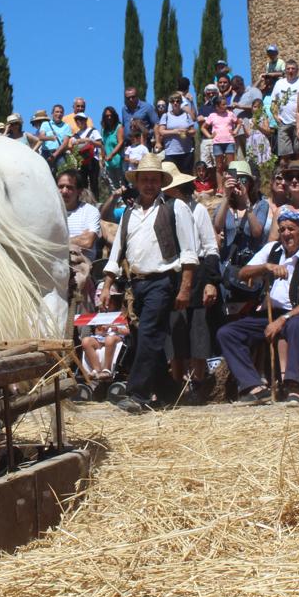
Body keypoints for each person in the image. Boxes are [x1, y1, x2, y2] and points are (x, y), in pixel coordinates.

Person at [98, 153, 196, 413]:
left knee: (151, 334)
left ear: (161, 182)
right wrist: (107, 285)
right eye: (145, 179)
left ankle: (137, 394)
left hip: (163, 281)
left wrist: (185, 287)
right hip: (136, 285)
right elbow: (117, 251)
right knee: (143, 339)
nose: (150, 184)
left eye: (154, 179)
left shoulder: (175, 207)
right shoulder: (129, 213)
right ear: (138, 182)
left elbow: (189, 251)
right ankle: (170, 393)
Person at [216, 208, 299, 406]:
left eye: (291, 229)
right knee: (227, 333)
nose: (286, 234)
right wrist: (265, 268)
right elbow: (243, 273)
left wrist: (284, 319)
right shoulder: (272, 250)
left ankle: (293, 387)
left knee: (295, 325)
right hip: (271, 314)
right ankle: (254, 387)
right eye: (282, 229)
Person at [162, 162, 220, 405]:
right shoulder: (161, 210)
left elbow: (210, 247)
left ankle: (197, 384)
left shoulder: (197, 210)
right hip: (170, 275)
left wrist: (210, 282)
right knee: (175, 331)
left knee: (198, 332)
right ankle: (176, 384)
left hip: (196, 274)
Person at [58, 169, 101, 263]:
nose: (64, 191)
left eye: (70, 187)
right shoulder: (50, 211)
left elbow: (87, 242)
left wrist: (55, 242)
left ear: (79, 191)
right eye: (61, 187)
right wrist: (77, 239)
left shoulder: (90, 211)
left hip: (80, 265)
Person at [200, 95, 239, 189]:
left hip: (229, 141)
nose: (226, 106)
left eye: (226, 104)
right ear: (217, 106)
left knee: (231, 165)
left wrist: (235, 131)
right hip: (217, 143)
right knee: (219, 166)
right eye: (223, 104)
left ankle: (232, 186)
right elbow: (203, 127)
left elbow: (239, 122)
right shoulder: (212, 116)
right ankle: (220, 188)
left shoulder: (230, 114)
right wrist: (209, 136)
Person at [157, 92, 198, 174]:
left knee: (187, 176)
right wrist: (175, 131)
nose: (175, 103)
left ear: (181, 102)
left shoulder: (186, 115)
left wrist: (187, 132)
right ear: (170, 103)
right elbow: (161, 131)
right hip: (171, 152)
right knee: (172, 177)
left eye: (178, 101)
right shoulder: (166, 116)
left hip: (187, 152)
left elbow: (193, 131)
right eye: (173, 101)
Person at [37, 104, 75, 173]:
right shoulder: (45, 124)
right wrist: (50, 138)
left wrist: (54, 155)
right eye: (57, 112)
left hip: (59, 153)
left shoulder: (66, 127)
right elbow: (41, 137)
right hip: (46, 153)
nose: (59, 114)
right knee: (43, 174)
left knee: (62, 173)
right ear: (52, 113)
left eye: (61, 112)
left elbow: (65, 143)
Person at [99, 106, 126, 191]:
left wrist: (112, 154)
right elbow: (103, 144)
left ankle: (125, 202)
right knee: (113, 186)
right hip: (108, 163)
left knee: (122, 184)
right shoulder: (104, 130)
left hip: (118, 161)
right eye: (107, 116)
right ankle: (117, 203)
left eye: (111, 115)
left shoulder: (119, 127)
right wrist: (102, 158)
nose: (109, 117)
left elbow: (120, 142)